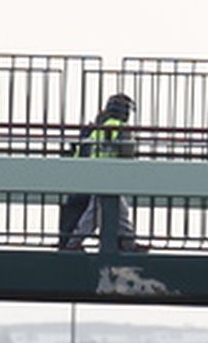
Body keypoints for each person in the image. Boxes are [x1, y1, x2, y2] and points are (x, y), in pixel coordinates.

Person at [58, 93, 146, 252]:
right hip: (113, 175)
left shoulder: (96, 127)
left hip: (94, 174)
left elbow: (82, 151)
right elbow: (127, 154)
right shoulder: (121, 128)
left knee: (111, 210)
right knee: (97, 213)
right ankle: (74, 243)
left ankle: (127, 241)